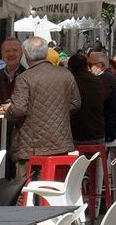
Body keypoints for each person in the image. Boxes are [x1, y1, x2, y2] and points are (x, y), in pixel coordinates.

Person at [5, 37, 80, 175]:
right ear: (46, 52)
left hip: (31, 146)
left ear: (25, 54)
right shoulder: (65, 74)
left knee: (26, 189)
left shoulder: (25, 78)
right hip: (60, 143)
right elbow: (75, 104)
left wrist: (8, 110)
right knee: (56, 187)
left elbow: (18, 110)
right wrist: (58, 112)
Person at [68, 52, 108, 145]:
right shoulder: (98, 81)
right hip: (97, 133)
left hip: (76, 135)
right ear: (87, 67)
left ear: (71, 68)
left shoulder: (71, 82)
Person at [90, 51, 116, 141]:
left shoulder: (104, 79)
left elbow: (99, 102)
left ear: (101, 65)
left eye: (90, 65)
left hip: (108, 128)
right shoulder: (108, 77)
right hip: (111, 124)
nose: (89, 69)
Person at [0, 39, 26, 103]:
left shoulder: (28, 76)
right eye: (7, 51)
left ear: (21, 53)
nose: (11, 54)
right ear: (2, 55)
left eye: (15, 50)